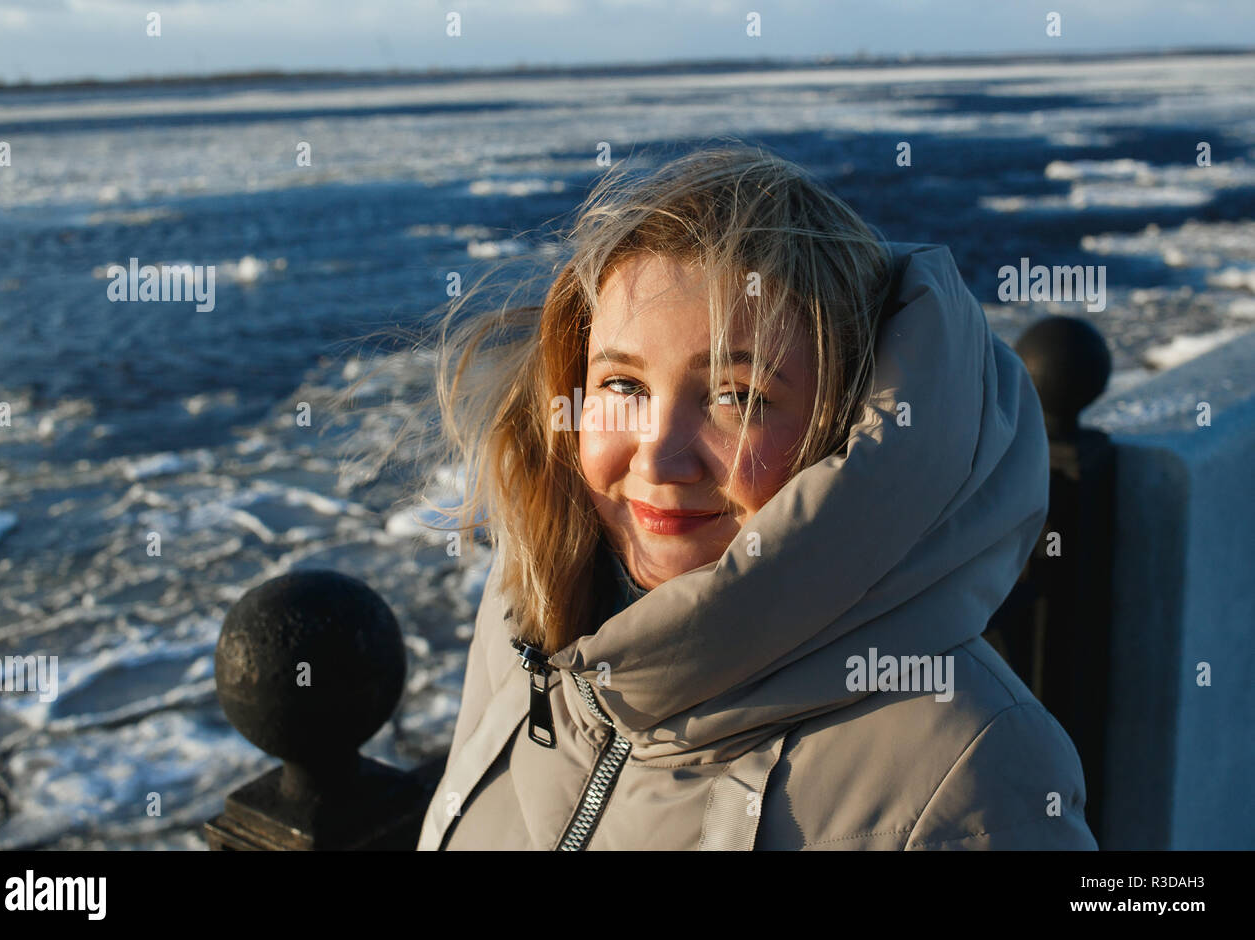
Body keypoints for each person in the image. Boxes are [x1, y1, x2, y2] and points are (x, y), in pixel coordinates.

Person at [397, 143, 1097, 850]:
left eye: (739, 397)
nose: (660, 457)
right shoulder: (531, 612)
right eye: (622, 386)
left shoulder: (974, 766)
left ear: (844, 428)